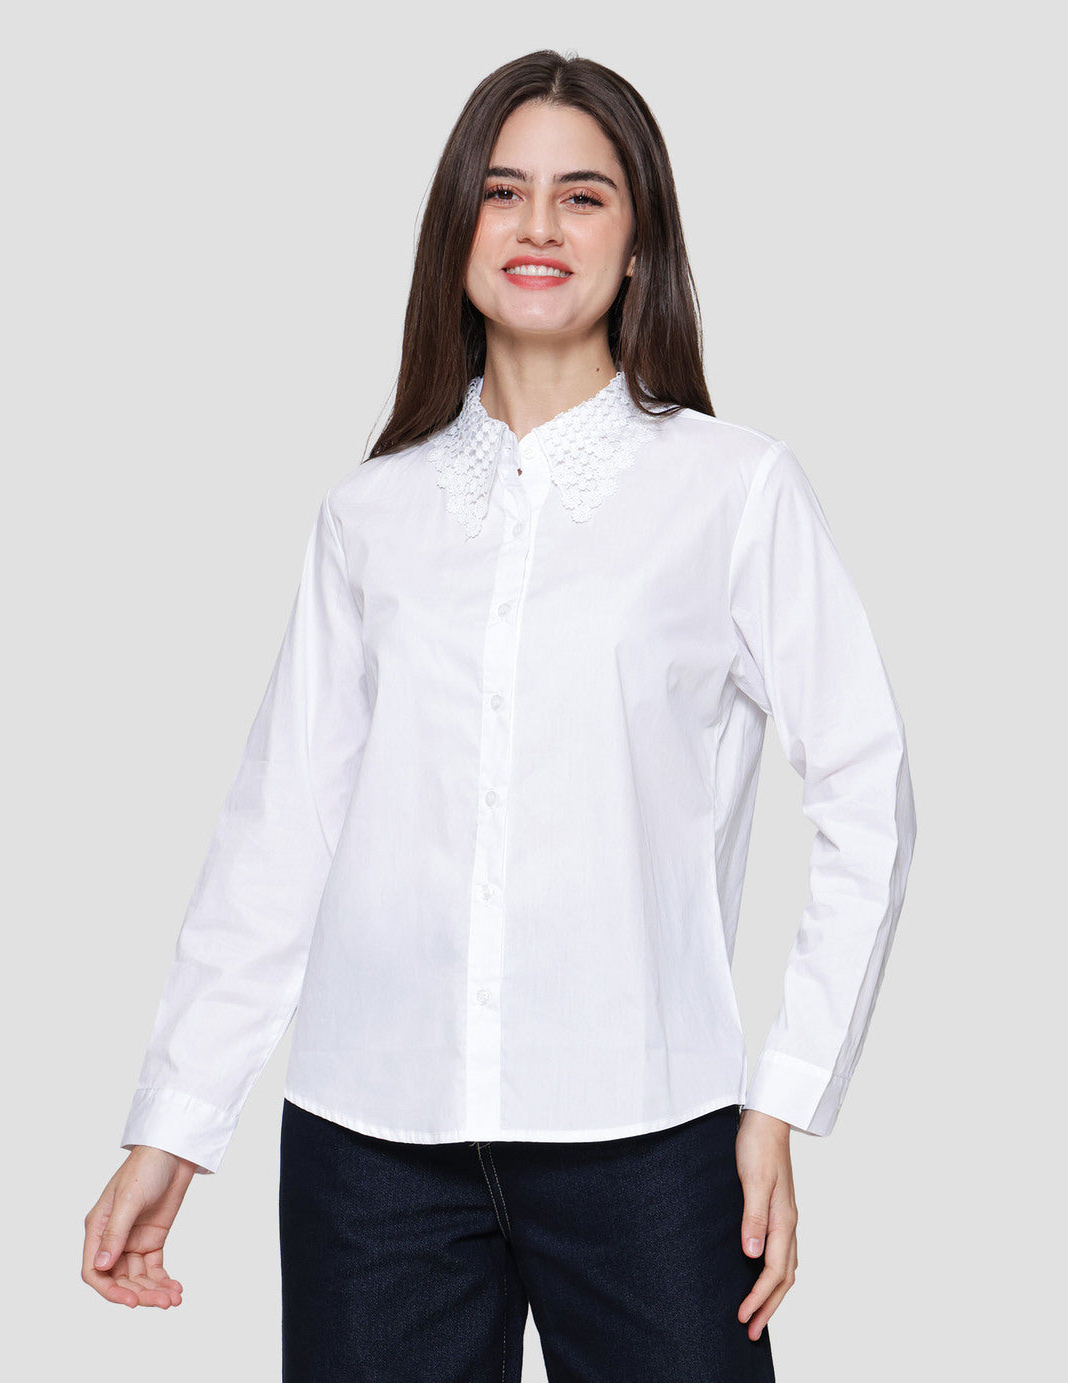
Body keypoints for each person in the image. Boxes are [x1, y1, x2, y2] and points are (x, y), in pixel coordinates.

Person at [82, 49, 917, 1381]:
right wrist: (174, 1126)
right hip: (372, 1155)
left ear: (640, 245)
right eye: (501, 191)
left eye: (583, 196)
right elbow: (280, 833)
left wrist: (785, 1096)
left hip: (651, 1136)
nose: (538, 226)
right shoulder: (370, 514)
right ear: (454, 231)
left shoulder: (734, 492)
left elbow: (869, 794)